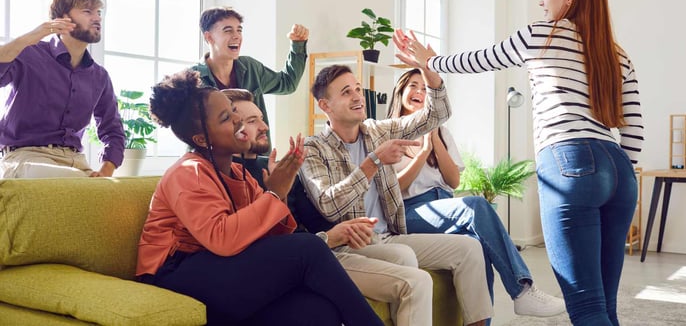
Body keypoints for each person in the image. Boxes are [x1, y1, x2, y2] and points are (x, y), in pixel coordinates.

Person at [393, 0, 643, 326]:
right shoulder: (618, 55)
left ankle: (528, 295)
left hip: (570, 162)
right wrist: (616, 172)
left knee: (587, 308)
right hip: (620, 174)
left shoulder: (542, 34)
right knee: (606, 305)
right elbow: (634, 134)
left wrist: (432, 62)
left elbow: (482, 59)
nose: (543, 1)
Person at [136, 70, 383, 326]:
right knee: (309, 248)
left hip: (221, 267)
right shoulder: (188, 172)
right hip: (174, 272)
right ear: (201, 139)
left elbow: (276, 234)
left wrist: (281, 191)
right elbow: (222, 238)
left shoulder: (238, 173)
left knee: (319, 312)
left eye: (233, 110)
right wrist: (273, 194)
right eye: (225, 118)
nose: (238, 120)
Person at [224, 87, 437, 326]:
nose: (264, 126)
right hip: (302, 259)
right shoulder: (227, 175)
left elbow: (312, 218)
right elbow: (269, 245)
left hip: (319, 247)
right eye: (253, 121)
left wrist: (344, 230)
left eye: (261, 118)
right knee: (416, 281)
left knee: (402, 255)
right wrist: (326, 234)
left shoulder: (277, 164)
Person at [300, 64, 494, 326]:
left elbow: (437, 114)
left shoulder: (378, 130)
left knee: (470, 249)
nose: (358, 96)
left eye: (358, 88)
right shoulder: (313, 148)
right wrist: (373, 162)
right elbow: (329, 205)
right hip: (351, 246)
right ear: (325, 105)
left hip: (389, 236)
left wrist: (429, 71)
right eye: (346, 92)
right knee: (406, 260)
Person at [388, 68, 565, 318]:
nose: (420, 92)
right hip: (411, 211)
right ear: (401, 92)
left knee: (479, 249)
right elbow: (395, 188)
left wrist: (435, 139)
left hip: (444, 206)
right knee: (476, 205)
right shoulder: (387, 133)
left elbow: (453, 180)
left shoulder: (442, 133)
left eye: (425, 89)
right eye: (413, 86)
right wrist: (422, 152)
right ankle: (522, 290)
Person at [0, 0, 125, 178]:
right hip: (26, 157)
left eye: (99, 12)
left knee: (110, 194)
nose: (97, 18)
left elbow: (113, 130)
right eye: (87, 11)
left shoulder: (99, 76)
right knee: (74, 182)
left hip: (76, 162)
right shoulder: (28, 53)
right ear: (62, 18)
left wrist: (105, 173)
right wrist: (34, 35)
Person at [192, 6, 309, 152]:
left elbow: (287, 83)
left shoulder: (250, 67)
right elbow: (190, 130)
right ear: (208, 37)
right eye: (228, 30)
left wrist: (297, 45)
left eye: (239, 30)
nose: (236, 36)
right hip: (215, 164)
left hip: (254, 160)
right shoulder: (193, 79)